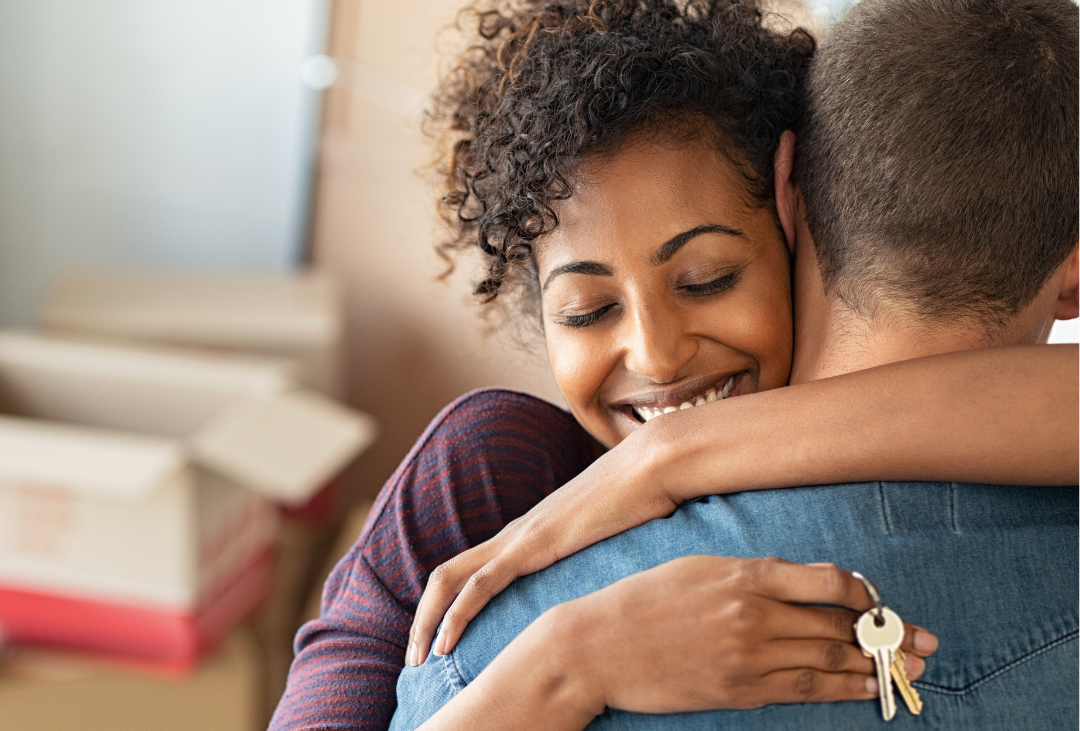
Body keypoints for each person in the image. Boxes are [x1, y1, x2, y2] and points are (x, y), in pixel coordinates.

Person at [269, 1, 1077, 729]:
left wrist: (668, 458)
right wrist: (567, 662)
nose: (658, 353)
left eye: (708, 280)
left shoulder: (490, 649)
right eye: (588, 312)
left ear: (792, 210)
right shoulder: (485, 472)